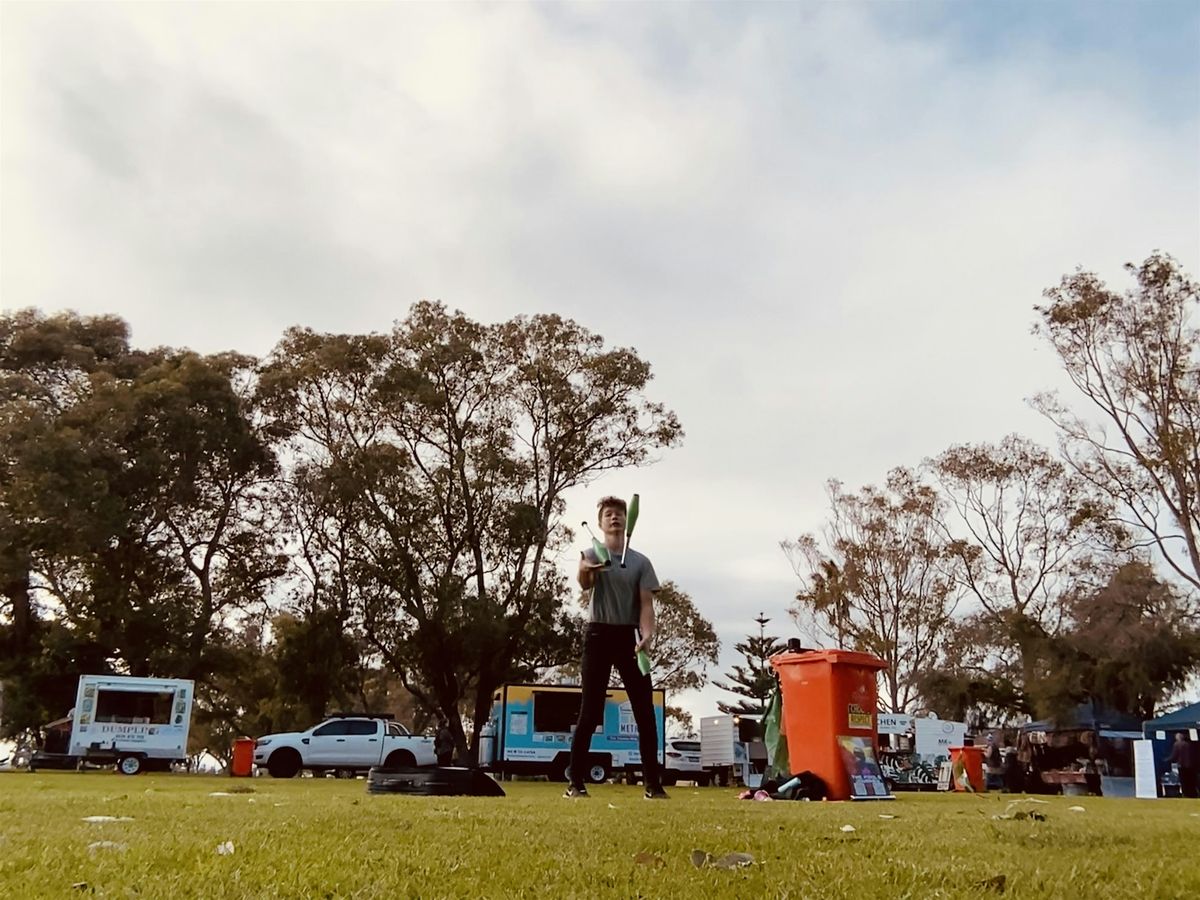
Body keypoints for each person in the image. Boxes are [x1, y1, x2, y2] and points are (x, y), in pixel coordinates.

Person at [565, 495, 666, 800]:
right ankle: (575, 783)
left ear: (627, 519)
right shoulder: (590, 552)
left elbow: (647, 605)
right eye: (608, 514)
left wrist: (647, 636)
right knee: (590, 711)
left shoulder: (640, 562)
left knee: (645, 713)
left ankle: (653, 785)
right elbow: (584, 582)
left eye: (619, 514)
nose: (614, 518)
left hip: (629, 637)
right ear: (600, 522)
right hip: (598, 635)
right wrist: (587, 567)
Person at [1168, 731, 1198, 798]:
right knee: (1192, 781)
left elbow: (1174, 756)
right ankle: (1193, 793)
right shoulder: (1191, 743)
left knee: (1184, 782)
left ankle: (1186, 794)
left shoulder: (1177, 744)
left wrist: (1165, 760)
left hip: (1182, 766)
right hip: (1192, 766)